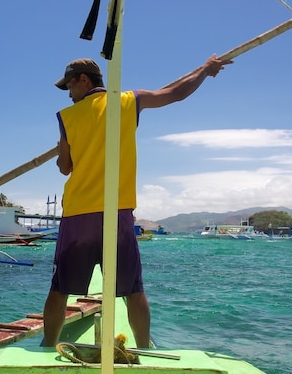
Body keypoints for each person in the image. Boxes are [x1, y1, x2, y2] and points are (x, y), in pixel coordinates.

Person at [42, 55, 231, 348]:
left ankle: (47, 346)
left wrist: (60, 150)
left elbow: (66, 168)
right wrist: (205, 71)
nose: (69, 93)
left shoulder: (67, 117)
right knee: (133, 289)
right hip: (116, 210)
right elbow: (176, 94)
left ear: (83, 79)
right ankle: (144, 349)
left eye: (70, 85)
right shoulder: (128, 102)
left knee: (60, 288)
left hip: (78, 212)